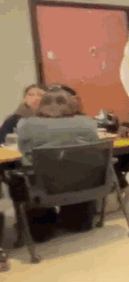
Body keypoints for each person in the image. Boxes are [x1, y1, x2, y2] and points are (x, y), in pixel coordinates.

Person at [14, 87, 102, 236]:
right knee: (77, 170)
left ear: (41, 105)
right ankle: (77, 220)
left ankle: (41, 225)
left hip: (42, 185)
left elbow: (23, 150)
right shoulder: (87, 123)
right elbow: (93, 147)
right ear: (72, 105)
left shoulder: (26, 124)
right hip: (83, 184)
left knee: (17, 177)